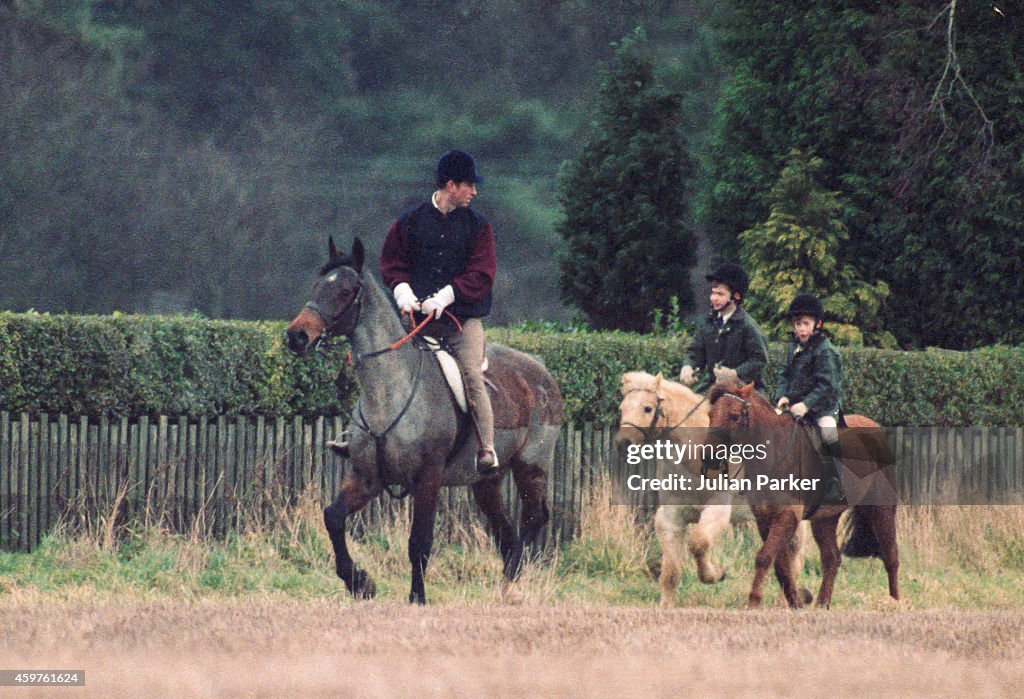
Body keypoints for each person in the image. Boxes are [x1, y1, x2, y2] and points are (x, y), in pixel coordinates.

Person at [379, 149, 499, 475]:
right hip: (419, 323)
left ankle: (486, 448)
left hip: (461, 324)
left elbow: (482, 274)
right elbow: (392, 263)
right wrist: (401, 290)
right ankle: (361, 436)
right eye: (469, 186)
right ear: (450, 185)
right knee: (384, 364)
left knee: (472, 375)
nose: (474, 192)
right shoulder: (409, 222)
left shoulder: (479, 227)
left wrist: (447, 295)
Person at [773, 293, 845, 503]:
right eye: (797, 324)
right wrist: (782, 396)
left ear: (817, 324)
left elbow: (827, 385)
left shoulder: (825, 351)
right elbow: (784, 374)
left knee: (828, 436)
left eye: (805, 323)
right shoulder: (793, 347)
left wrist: (806, 404)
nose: (801, 329)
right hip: (794, 406)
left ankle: (835, 484)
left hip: (822, 408)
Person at [679, 262, 768, 395]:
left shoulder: (748, 326)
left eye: (720, 294)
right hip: (711, 387)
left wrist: (735, 373)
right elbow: (695, 352)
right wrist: (688, 366)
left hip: (744, 389)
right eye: (713, 293)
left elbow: (759, 360)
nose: (713, 298)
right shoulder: (706, 323)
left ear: (736, 296)